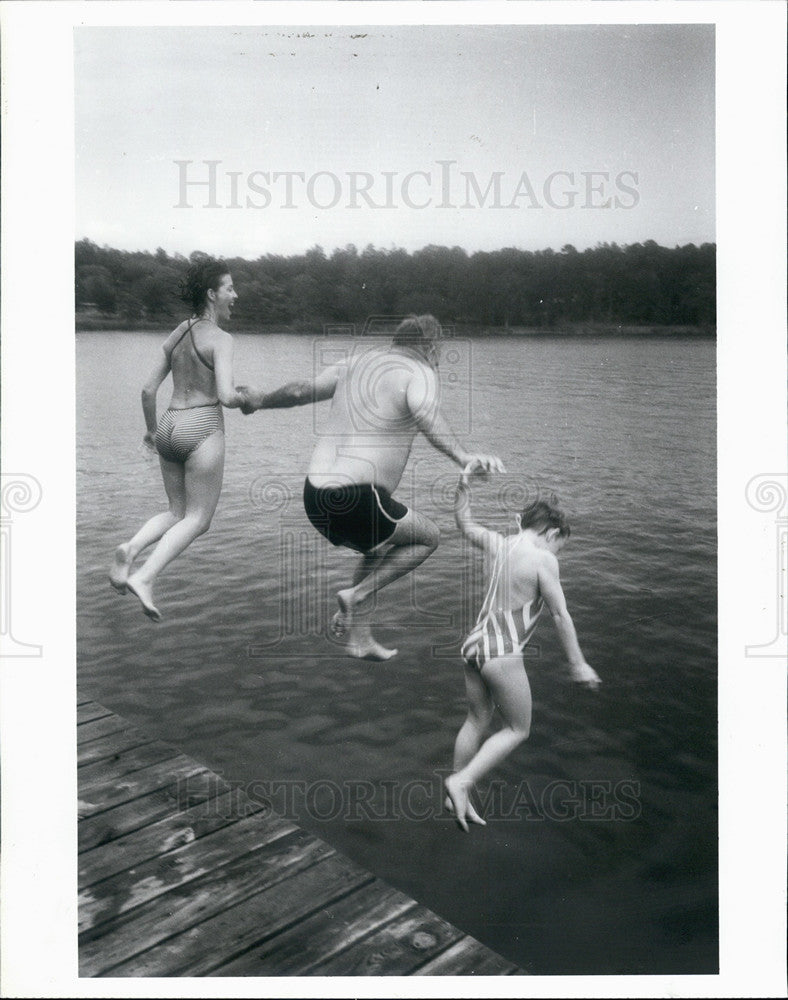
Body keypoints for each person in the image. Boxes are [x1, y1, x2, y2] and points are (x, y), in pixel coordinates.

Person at [239, 314, 504, 660]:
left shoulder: (353, 364)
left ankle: (358, 638)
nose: (439, 359)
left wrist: (260, 400)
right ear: (431, 347)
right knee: (428, 537)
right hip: (359, 497)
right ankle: (356, 594)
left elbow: (299, 391)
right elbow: (425, 412)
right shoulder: (419, 372)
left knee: (376, 549)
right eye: (439, 351)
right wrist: (463, 456)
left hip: (314, 499)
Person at [444, 468, 601, 831]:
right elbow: (561, 615)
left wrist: (463, 484)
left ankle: (455, 789)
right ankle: (461, 783)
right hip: (502, 650)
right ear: (551, 533)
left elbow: (463, 522)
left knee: (476, 720)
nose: (556, 551)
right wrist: (578, 664)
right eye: (558, 544)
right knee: (518, 729)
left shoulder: (498, 542)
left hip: (473, 645)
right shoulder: (543, 559)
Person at [109, 257, 247, 621]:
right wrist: (251, 398)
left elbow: (147, 389)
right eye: (229, 288)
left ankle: (131, 547)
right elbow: (228, 397)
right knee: (199, 519)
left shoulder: (178, 333)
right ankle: (145, 577)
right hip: (202, 426)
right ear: (211, 294)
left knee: (176, 512)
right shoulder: (222, 339)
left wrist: (152, 433)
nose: (236, 294)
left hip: (169, 425)